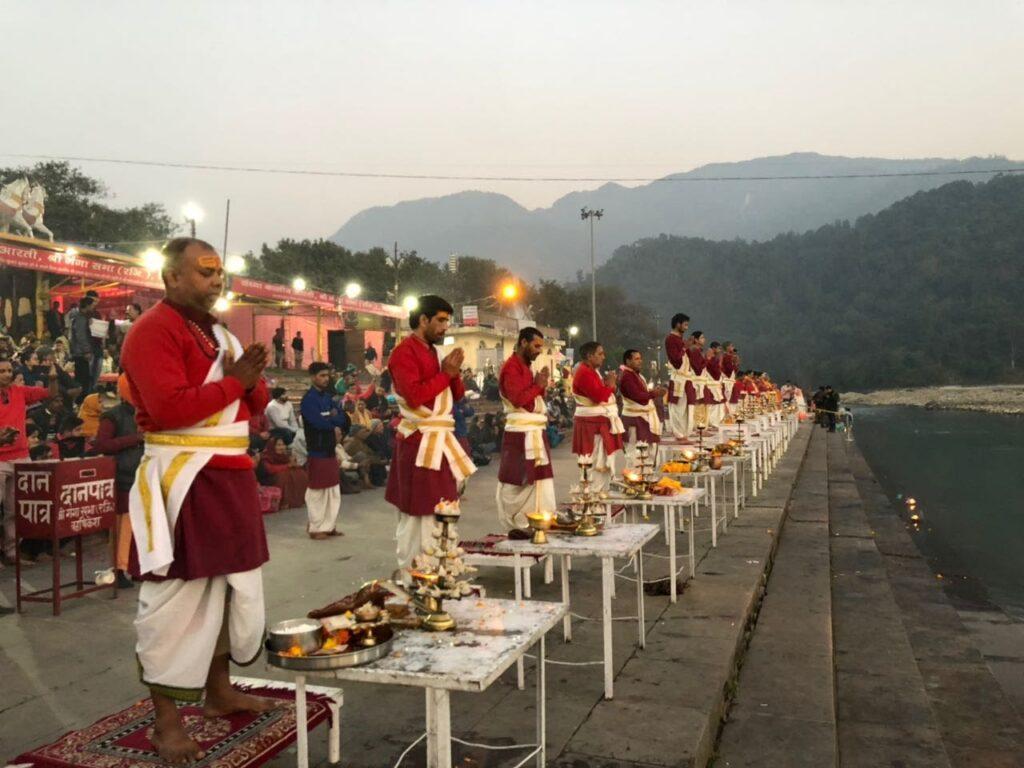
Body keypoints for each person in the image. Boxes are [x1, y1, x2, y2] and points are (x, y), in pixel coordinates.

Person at [120, 237, 274, 764]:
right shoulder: (151, 332)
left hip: (230, 475)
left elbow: (256, 402)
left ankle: (219, 691)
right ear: (170, 277)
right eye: (205, 271)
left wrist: (249, 381)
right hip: (184, 477)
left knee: (230, 590)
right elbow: (168, 409)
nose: (216, 280)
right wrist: (236, 383)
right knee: (177, 599)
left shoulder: (220, 333)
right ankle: (166, 724)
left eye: (219, 272)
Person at [386, 295, 475, 574]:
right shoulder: (403, 353)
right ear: (422, 320)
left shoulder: (436, 353)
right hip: (419, 442)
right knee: (419, 516)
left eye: (447, 321)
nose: (445, 327)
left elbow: (457, 395)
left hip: (441, 440)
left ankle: (442, 572)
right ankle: (417, 578)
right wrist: (445, 374)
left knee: (444, 510)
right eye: (440, 320)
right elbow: (414, 398)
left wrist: (453, 372)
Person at [0, 357, 59, 566]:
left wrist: (52, 377)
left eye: (9, 370)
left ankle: (11, 552)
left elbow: (50, 394)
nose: (7, 374)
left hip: (20, 457)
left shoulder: (20, 391)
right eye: (2, 371)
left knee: (14, 510)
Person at [496, 327, 555, 533]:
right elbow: (518, 399)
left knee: (538, 478)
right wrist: (539, 385)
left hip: (534, 431)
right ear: (523, 342)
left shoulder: (525, 366)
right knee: (518, 478)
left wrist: (540, 385)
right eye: (536, 346)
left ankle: (536, 523)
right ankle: (518, 523)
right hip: (521, 433)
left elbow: (532, 399)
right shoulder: (511, 367)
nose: (539, 350)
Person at [92, 373, 143, 589]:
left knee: (141, 527)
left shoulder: (146, 414)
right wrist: (136, 439)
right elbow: (101, 445)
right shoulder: (113, 416)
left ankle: (138, 568)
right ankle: (119, 569)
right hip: (123, 477)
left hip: (143, 476)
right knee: (124, 528)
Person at [300, 362, 348, 539]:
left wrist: (332, 420)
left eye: (327, 375)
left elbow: (342, 418)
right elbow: (316, 422)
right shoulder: (308, 400)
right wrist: (331, 421)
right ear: (313, 377)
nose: (326, 379)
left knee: (333, 490)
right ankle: (316, 527)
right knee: (317, 491)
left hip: (330, 449)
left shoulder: (328, 398)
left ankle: (329, 525)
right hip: (317, 449)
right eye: (322, 375)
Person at [571, 341, 624, 498]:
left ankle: (600, 494)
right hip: (590, 426)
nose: (603, 356)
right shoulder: (584, 372)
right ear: (589, 356)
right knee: (592, 462)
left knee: (601, 463)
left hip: (599, 423)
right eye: (600, 354)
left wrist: (608, 384)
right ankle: (593, 497)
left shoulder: (592, 371)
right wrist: (611, 385)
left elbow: (601, 391)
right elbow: (599, 396)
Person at [619, 348, 666, 462]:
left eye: (640, 358)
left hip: (642, 418)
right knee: (636, 453)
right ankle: (637, 478)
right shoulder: (627, 376)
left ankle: (646, 476)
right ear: (628, 361)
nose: (640, 361)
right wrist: (654, 393)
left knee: (647, 452)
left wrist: (653, 393)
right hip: (635, 420)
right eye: (636, 359)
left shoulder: (636, 375)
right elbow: (639, 397)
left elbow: (643, 395)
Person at [259, 436, 309, 510]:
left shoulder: (284, 456)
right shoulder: (266, 456)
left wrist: (294, 464)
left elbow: (290, 465)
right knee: (283, 476)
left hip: (280, 473)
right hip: (269, 479)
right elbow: (270, 469)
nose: (282, 447)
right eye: (278, 445)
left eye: (283, 445)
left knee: (299, 473)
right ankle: (284, 502)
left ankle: (300, 500)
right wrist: (288, 466)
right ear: (272, 446)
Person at [664, 313, 691, 438]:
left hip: (685, 377)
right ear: (677, 324)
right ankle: (678, 434)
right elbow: (675, 359)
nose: (686, 328)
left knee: (684, 407)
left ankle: (684, 433)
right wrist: (685, 348)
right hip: (678, 377)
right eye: (685, 325)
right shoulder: (670, 339)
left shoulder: (680, 339)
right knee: (676, 407)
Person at [70, 296, 98, 397]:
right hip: (80, 353)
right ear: (87, 306)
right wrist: (86, 351)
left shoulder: (78, 316)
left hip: (78, 352)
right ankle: (81, 400)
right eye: (92, 306)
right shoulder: (80, 318)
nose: (93, 308)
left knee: (81, 377)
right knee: (83, 379)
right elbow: (81, 336)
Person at [704, 342, 726, 428]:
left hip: (716, 383)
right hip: (712, 383)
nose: (720, 350)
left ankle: (717, 421)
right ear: (713, 348)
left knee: (718, 404)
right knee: (714, 404)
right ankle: (712, 422)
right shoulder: (711, 358)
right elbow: (714, 371)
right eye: (718, 348)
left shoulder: (715, 358)